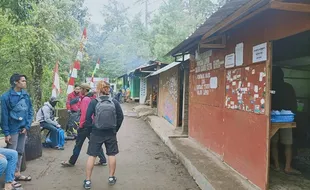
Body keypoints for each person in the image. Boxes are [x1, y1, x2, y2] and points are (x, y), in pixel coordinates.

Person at [83, 81, 124, 189]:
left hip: (96, 132)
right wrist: (115, 129)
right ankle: (111, 177)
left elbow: (87, 118)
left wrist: (91, 130)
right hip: (111, 132)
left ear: (98, 89)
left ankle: (87, 181)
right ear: (108, 89)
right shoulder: (114, 102)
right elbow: (121, 117)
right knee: (111, 154)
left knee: (92, 155)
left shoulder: (94, 102)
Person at [62, 83, 106, 167]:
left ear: (85, 90)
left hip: (85, 125)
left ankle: (71, 161)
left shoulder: (86, 99)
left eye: (81, 89)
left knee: (78, 144)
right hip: (92, 124)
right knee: (94, 142)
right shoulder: (92, 98)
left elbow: (85, 114)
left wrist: (81, 125)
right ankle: (103, 159)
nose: (80, 91)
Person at [1, 73, 33, 182]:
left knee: (20, 151)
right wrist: (6, 133)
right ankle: (10, 178)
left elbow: (29, 111)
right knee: (12, 153)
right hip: (12, 128)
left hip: (23, 128)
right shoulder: (6, 97)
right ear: (16, 82)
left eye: (25, 81)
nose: (25, 83)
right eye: (23, 81)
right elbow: (4, 115)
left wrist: (27, 126)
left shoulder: (26, 95)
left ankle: (17, 173)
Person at [271, 67, 301, 175]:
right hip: (287, 119)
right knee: (288, 144)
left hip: (273, 119)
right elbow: (294, 103)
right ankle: (287, 167)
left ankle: (277, 166)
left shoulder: (270, 86)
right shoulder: (289, 87)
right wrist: (293, 114)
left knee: (273, 143)